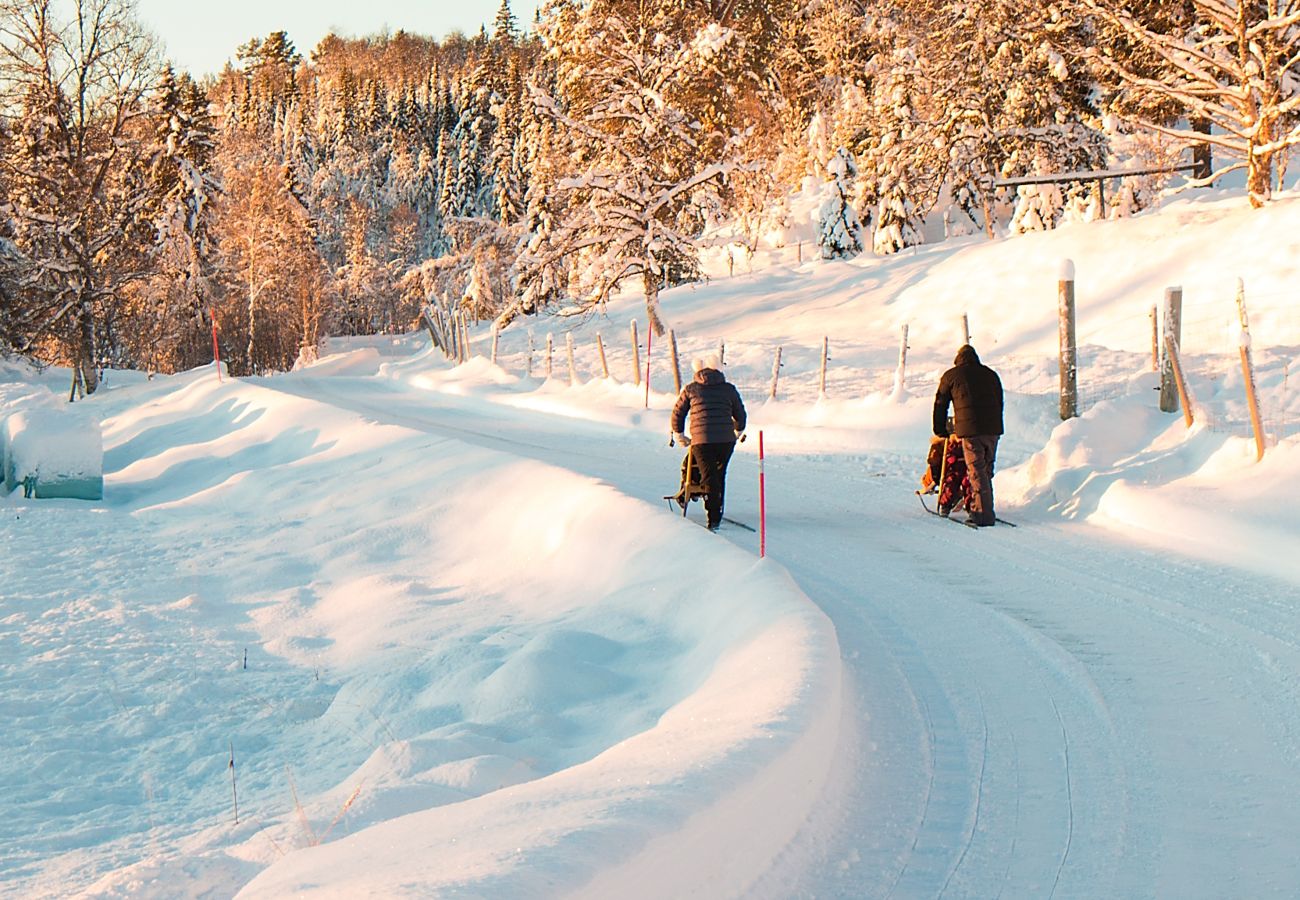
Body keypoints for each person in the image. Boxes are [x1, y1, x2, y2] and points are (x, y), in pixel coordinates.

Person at [671, 354, 747, 531]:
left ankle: (712, 517)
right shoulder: (729, 389)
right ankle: (716, 511)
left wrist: (679, 435)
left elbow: (677, 414)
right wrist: (738, 430)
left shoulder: (691, 389)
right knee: (719, 475)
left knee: (708, 476)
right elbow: (740, 414)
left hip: (701, 441)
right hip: (726, 441)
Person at [933, 344, 1003, 526]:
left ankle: (982, 515)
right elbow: (1000, 401)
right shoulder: (991, 374)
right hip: (993, 429)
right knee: (986, 469)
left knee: (976, 470)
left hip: (971, 431)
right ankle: (980, 506)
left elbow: (940, 404)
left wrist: (940, 430)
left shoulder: (951, 375)